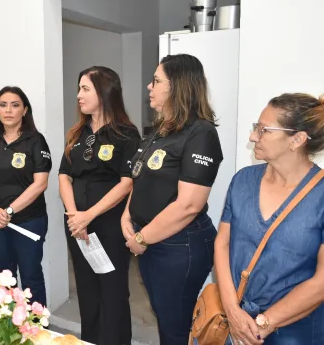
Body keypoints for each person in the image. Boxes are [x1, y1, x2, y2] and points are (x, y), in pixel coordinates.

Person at [122, 54, 223, 345]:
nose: (149, 86)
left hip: (180, 244)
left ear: (177, 86)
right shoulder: (161, 130)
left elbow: (189, 204)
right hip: (152, 239)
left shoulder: (201, 132)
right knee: (166, 318)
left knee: (175, 328)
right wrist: (127, 215)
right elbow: (140, 178)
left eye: (156, 81)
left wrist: (141, 239)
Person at [214, 93, 324, 345]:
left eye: (264, 130)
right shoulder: (243, 180)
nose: (253, 137)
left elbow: (322, 280)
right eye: (256, 127)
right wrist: (232, 310)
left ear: (296, 139)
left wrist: (264, 323)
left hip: (296, 330)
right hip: (236, 319)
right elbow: (222, 243)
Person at [59, 66, 140, 345]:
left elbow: (127, 182)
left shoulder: (126, 134)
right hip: (76, 225)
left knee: (112, 290)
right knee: (87, 288)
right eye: (79, 88)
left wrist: (88, 216)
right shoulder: (78, 132)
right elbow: (64, 176)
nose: (78, 95)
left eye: (85, 89)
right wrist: (73, 216)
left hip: (108, 226)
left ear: (104, 93)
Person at [0, 86, 52, 307]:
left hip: (28, 221)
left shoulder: (36, 141)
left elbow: (40, 184)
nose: (8, 110)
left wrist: (9, 211)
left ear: (25, 110)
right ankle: (8, 327)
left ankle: (37, 330)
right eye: (3, 104)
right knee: (3, 275)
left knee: (31, 276)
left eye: (15, 105)